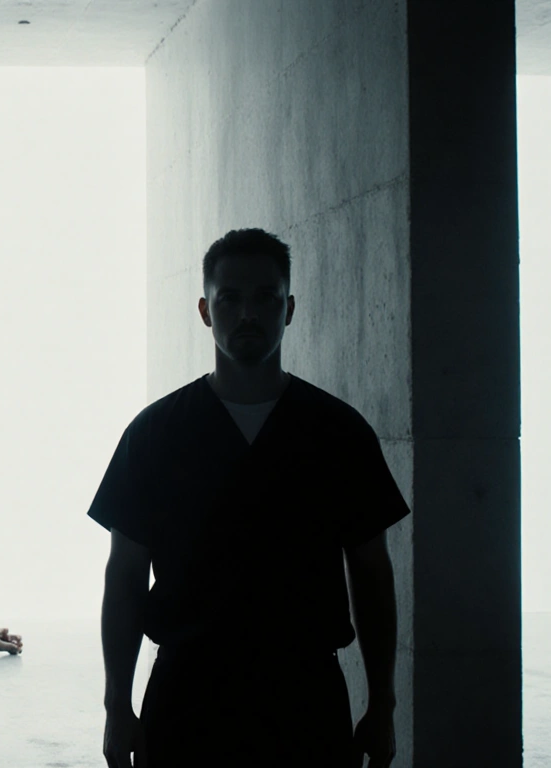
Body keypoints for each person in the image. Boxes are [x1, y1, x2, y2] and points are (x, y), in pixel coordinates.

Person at [89, 229, 407, 768]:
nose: (247, 313)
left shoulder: (337, 433)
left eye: (265, 297)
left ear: (290, 308)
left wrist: (383, 704)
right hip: (187, 697)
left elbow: (371, 572)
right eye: (229, 298)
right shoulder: (156, 434)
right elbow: (125, 576)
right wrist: (116, 704)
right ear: (205, 310)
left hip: (305, 700)